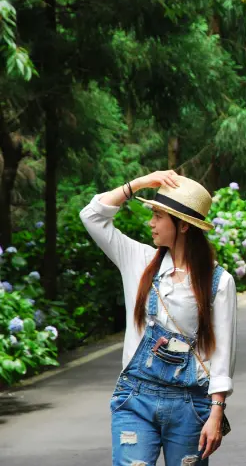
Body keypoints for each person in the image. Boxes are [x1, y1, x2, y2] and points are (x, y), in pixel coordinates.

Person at [79, 170, 237, 466]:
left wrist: (216, 413)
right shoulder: (136, 260)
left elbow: (222, 354)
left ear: (183, 226)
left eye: (158, 216)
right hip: (134, 399)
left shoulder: (219, 282)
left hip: (190, 404)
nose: (151, 223)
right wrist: (139, 183)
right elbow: (92, 216)